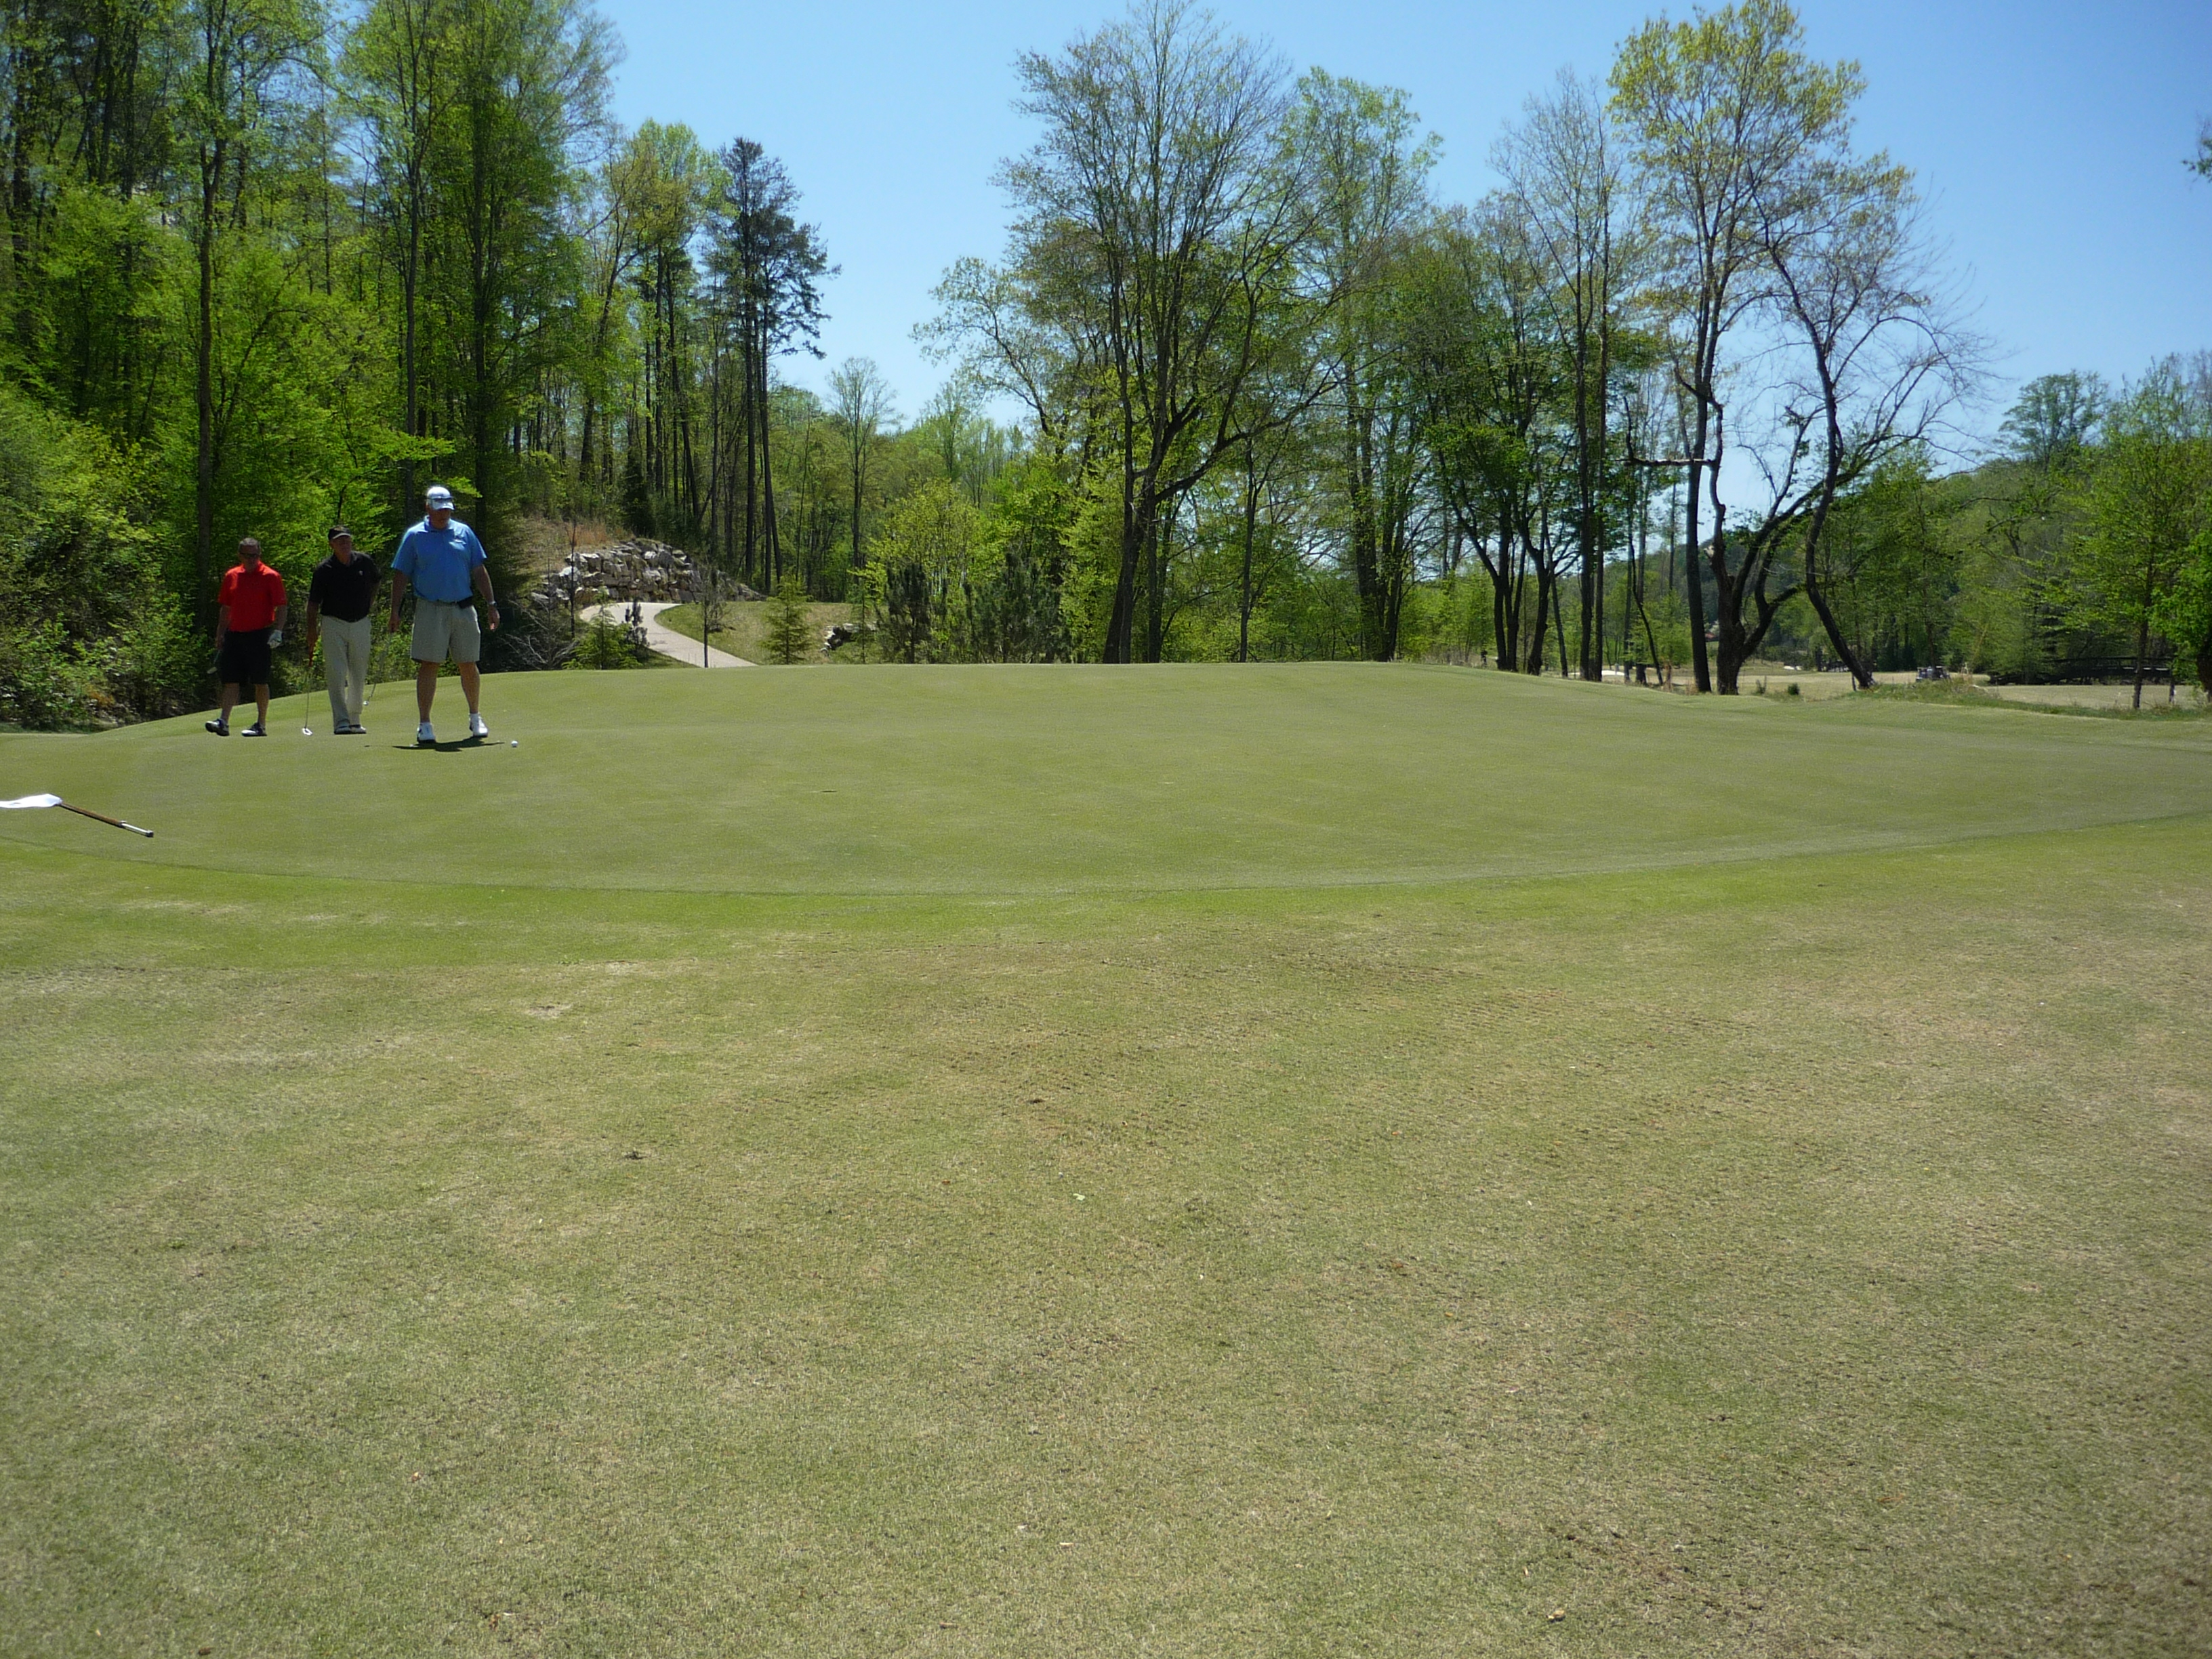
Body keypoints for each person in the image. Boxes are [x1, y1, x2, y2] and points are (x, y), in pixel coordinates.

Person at [388, 483, 499, 745]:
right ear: (428, 508)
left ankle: (475, 717)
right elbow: (401, 574)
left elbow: (479, 570)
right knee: (429, 664)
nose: (443, 514)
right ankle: (425, 724)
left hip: (463, 607)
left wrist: (491, 604)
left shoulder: (464, 532)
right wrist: (394, 610)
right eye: (438, 510)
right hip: (431, 607)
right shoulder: (415, 536)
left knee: (468, 663)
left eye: (447, 510)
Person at [205, 537, 287, 737]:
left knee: (260, 680)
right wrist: (220, 634)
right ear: (240, 555)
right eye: (247, 555)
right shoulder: (232, 576)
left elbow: (282, 605)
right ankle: (223, 721)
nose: (252, 559)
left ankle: (261, 724)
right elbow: (226, 607)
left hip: (260, 634)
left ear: (260, 554)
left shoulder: (271, 576)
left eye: (255, 555)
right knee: (231, 680)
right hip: (235, 634)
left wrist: (278, 631)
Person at [304, 525, 380, 735]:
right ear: (332, 545)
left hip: (361, 622)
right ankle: (341, 721)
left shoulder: (364, 561)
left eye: (346, 539)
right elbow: (313, 603)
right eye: (339, 541)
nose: (344, 543)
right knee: (336, 673)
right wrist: (312, 631)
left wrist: (369, 604)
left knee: (358, 671)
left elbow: (376, 582)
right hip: (333, 623)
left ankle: (355, 718)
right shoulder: (324, 569)